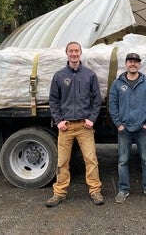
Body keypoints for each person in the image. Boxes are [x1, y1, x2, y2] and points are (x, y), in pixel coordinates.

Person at [46, 41, 104, 207]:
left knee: (91, 159)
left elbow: (97, 99)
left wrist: (91, 118)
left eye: (76, 51)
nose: (74, 54)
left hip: (84, 127)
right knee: (62, 162)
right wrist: (59, 121)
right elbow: (54, 100)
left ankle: (95, 191)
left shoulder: (89, 75)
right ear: (67, 53)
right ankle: (59, 193)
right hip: (66, 127)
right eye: (71, 51)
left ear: (80, 53)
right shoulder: (59, 76)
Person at [108, 52, 146, 203]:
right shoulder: (117, 84)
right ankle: (123, 189)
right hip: (125, 130)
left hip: (142, 129)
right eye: (130, 61)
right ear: (126, 64)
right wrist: (118, 124)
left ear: (139, 64)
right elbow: (112, 105)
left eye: (136, 62)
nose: (133, 64)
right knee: (123, 160)